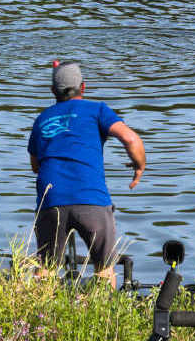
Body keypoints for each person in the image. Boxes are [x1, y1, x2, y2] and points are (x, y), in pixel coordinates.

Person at [28, 60, 146, 286]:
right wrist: (139, 168)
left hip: (51, 201)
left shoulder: (41, 120)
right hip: (91, 199)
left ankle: (37, 318)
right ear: (83, 87)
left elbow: (36, 167)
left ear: (53, 91)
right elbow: (130, 138)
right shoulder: (97, 110)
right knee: (104, 270)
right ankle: (105, 317)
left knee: (46, 270)